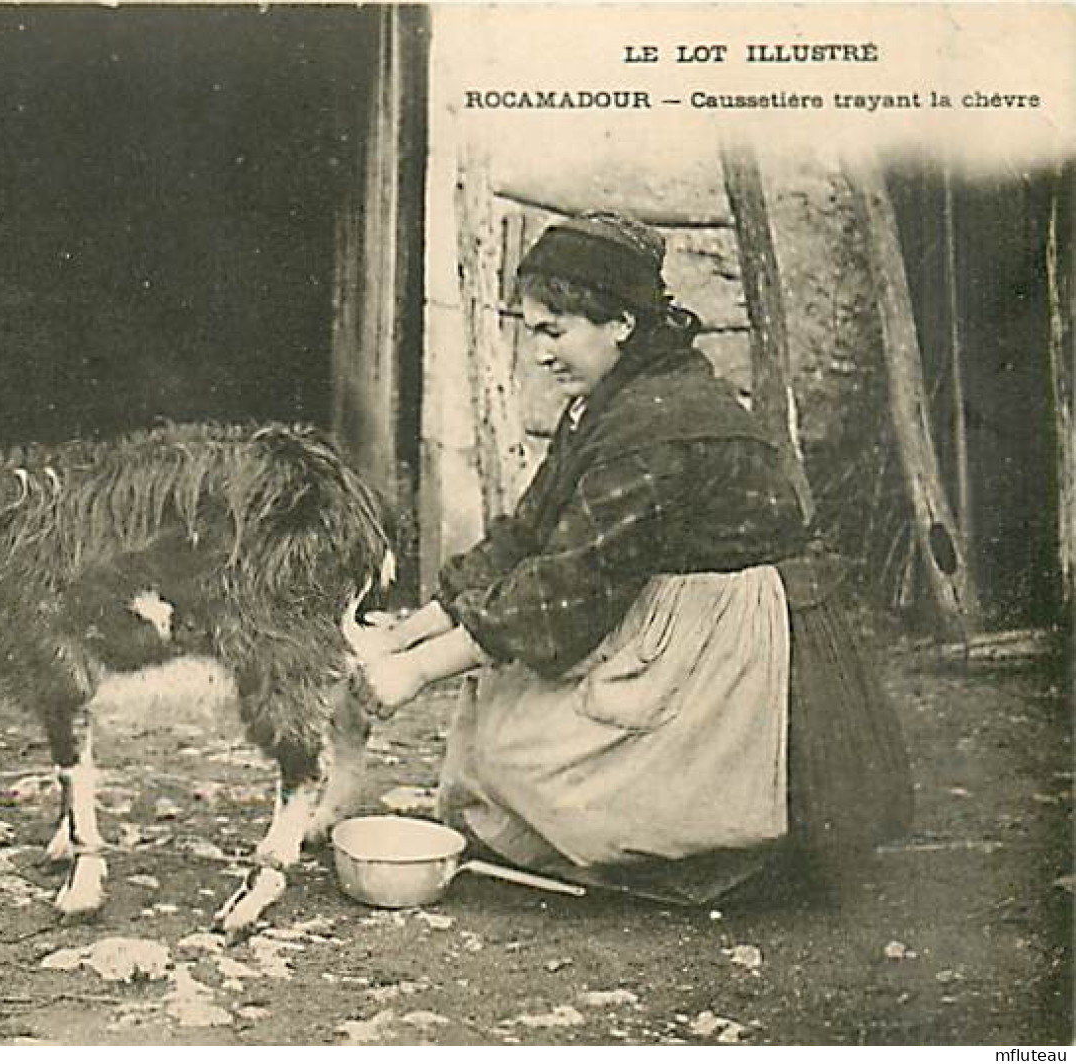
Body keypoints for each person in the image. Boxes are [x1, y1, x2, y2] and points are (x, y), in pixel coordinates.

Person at [349, 210, 911, 903]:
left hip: (743, 646)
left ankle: (719, 847)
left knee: (529, 758)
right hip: (669, 614)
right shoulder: (607, 402)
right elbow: (528, 533)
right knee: (497, 719)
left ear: (618, 323)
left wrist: (414, 673)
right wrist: (407, 631)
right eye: (532, 334)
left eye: (553, 332)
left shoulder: (658, 426)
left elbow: (566, 587)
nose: (540, 354)